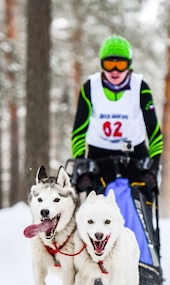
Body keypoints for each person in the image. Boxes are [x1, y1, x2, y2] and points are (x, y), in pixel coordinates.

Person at [70, 34, 163, 198]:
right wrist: (81, 162)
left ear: (129, 65)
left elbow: (154, 131)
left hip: (133, 152)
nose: (114, 71)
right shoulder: (90, 87)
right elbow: (79, 131)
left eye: (120, 64)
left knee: (144, 198)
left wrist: (154, 166)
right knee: (97, 206)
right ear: (101, 64)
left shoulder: (140, 87)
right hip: (99, 153)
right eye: (109, 64)